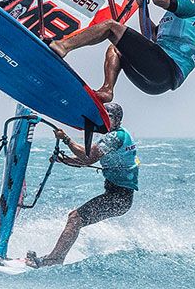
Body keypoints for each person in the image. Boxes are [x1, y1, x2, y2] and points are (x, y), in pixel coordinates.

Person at [49, 0, 195, 103]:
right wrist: (142, 6)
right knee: (116, 48)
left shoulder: (194, 7)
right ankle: (107, 90)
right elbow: (151, 35)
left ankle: (63, 46)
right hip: (154, 83)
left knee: (111, 27)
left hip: (167, 68)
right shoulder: (174, 18)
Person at [26, 103, 138, 267]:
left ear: (118, 119)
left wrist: (66, 139)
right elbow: (86, 160)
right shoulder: (118, 134)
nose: (104, 119)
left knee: (75, 219)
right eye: (103, 115)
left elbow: (88, 158)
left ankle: (53, 260)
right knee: (75, 218)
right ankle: (54, 258)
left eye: (109, 116)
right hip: (118, 196)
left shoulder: (115, 137)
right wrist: (63, 160)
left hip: (119, 198)